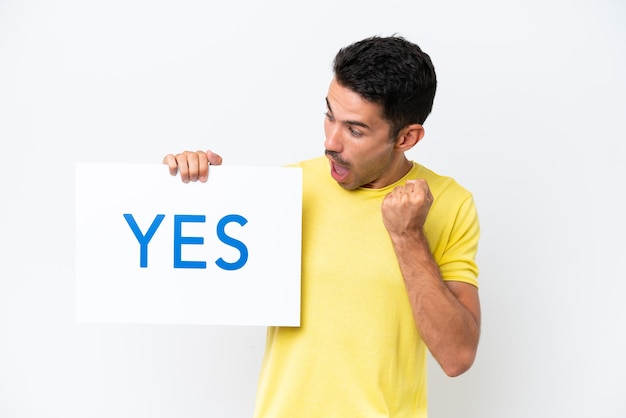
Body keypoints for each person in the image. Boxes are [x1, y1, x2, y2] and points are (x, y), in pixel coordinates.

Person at [163, 35, 481, 418]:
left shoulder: (450, 203)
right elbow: (194, 275)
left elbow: (457, 355)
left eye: (355, 130)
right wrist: (195, 189)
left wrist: (408, 236)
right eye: (330, 115)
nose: (330, 141)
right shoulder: (284, 189)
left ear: (406, 138)